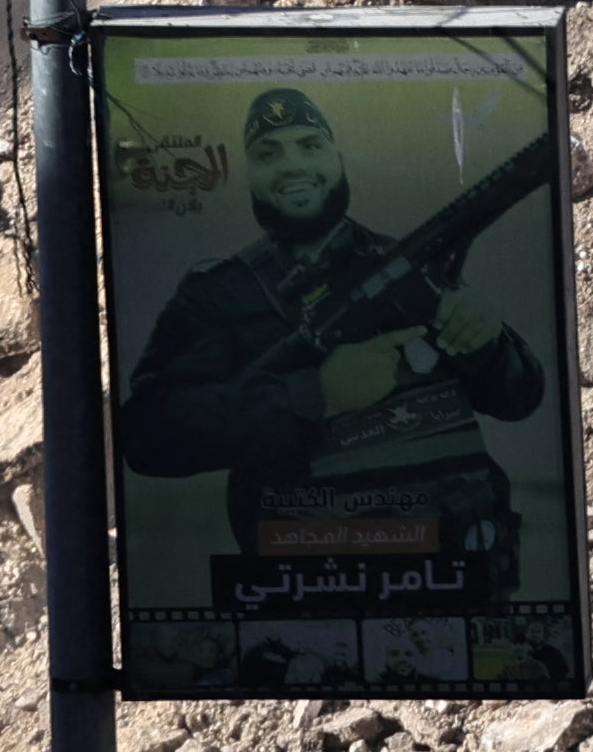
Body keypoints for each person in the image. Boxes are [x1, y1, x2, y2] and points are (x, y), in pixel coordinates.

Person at [115, 84, 549, 560]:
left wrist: (488, 340)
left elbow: (519, 397)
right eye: (268, 153)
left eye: (310, 145)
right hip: (315, 580)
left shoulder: (407, 261)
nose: (293, 164)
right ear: (250, 176)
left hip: (458, 563)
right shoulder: (218, 294)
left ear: (337, 158)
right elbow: (147, 435)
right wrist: (316, 393)